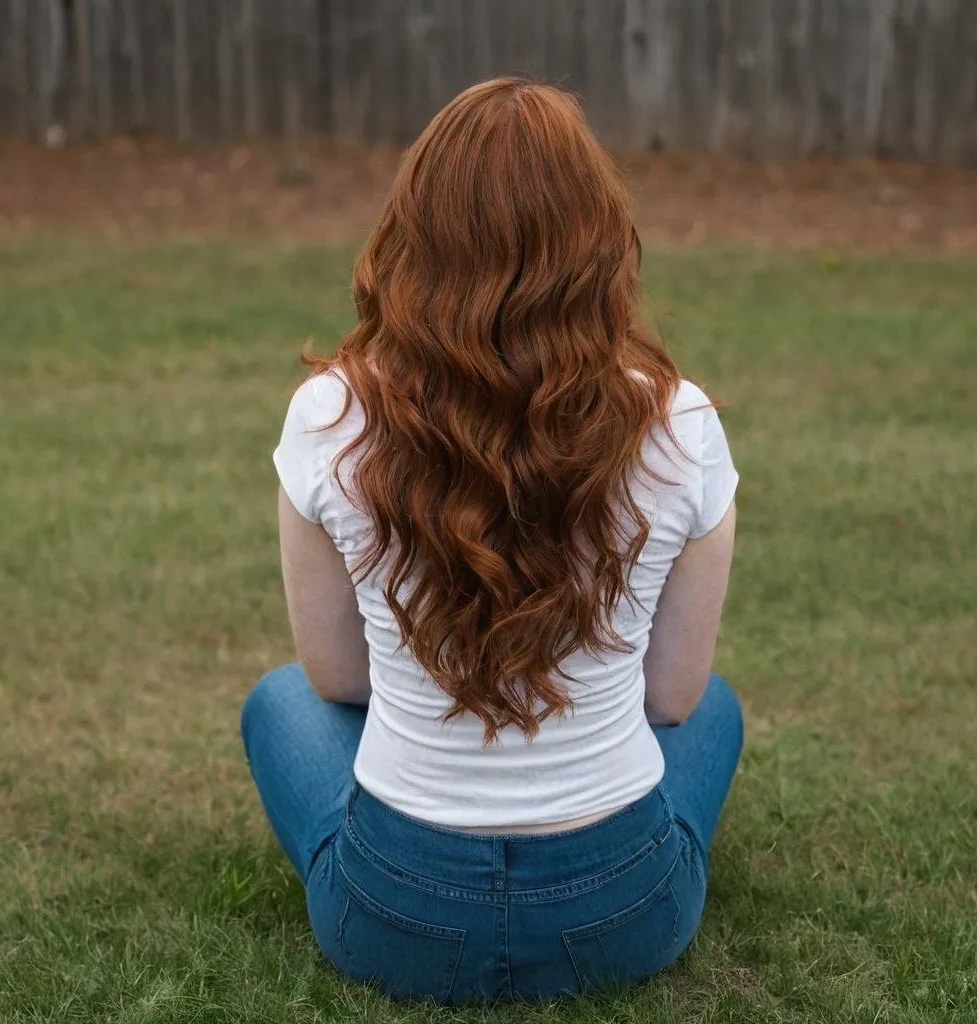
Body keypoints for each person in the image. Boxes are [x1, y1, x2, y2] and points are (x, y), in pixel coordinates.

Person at [241, 78, 742, 1004]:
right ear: (597, 241)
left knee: (280, 702)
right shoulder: (682, 423)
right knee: (716, 710)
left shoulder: (330, 416)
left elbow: (337, 681)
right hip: (622, 915)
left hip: (396, 918)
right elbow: (671, 697)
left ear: (414, 233)